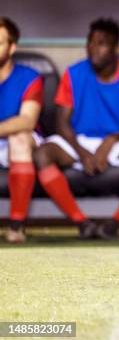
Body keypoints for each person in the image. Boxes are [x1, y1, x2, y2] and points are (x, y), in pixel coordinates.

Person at [33, 18, 119, 239]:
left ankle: (118, 220)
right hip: (78, 140)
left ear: (116, 48)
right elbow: (61, 122)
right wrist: (82, 153)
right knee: (43, 153)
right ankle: (81, 222)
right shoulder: (75, 73)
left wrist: (110, 141)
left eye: (101, 43)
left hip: (118, 139)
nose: (93, 49)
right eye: (90, 43)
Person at [0, 17, 44, 243]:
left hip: (18, 141)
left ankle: (16, 226)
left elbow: (27, 120)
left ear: (12, 47)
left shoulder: (29, 77)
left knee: (19, 137)